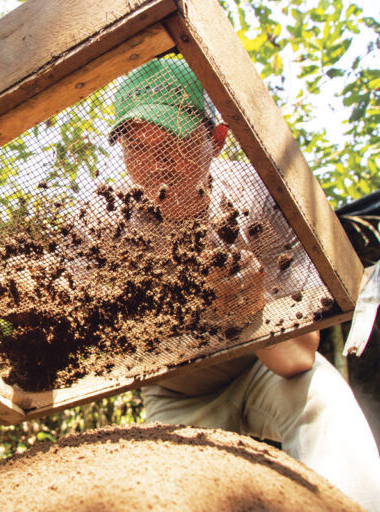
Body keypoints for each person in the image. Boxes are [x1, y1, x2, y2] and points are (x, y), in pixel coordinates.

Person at [108, 57, 380, 511]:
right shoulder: (109, 226)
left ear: (216, 140)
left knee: (322, 399)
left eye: (174, 139)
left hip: (263, 371)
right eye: (135, 145)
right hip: (177, 395)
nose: (156, 163)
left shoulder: (262, 195)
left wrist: (251, 313)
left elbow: (299, 357)